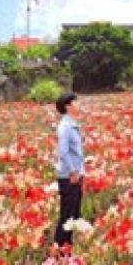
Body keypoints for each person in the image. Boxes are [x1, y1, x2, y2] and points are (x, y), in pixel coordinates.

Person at [53, 92, 85, 248]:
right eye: (76, 102)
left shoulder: (72, 124)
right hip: (69, 176)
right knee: (67, 216)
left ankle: (67, 248)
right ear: (68, 106)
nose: (79, 105)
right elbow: (63, 152)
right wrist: (73, 171)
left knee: (73, 215)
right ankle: (59, 249)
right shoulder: (65, 126)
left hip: (76, 174)